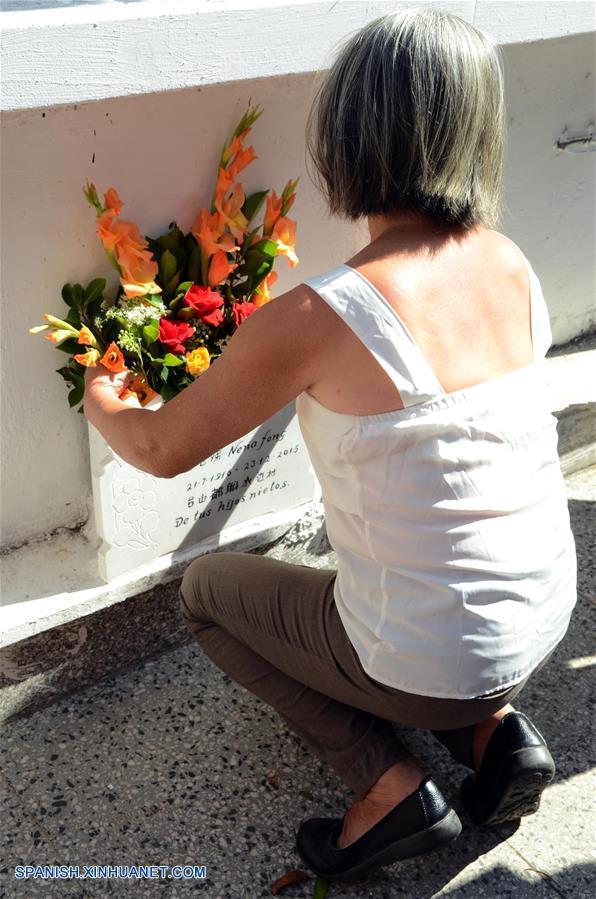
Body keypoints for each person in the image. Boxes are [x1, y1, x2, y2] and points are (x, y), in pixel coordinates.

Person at [83, 7, 578, 884]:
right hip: (543, 616)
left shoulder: (321, 315)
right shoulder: (507, 261)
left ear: (350, 135)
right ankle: (494, 734)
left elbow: (161, 449)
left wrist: (102, 397)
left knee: (208, 591)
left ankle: (389, 784)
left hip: (433, 655)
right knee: (431, 585)